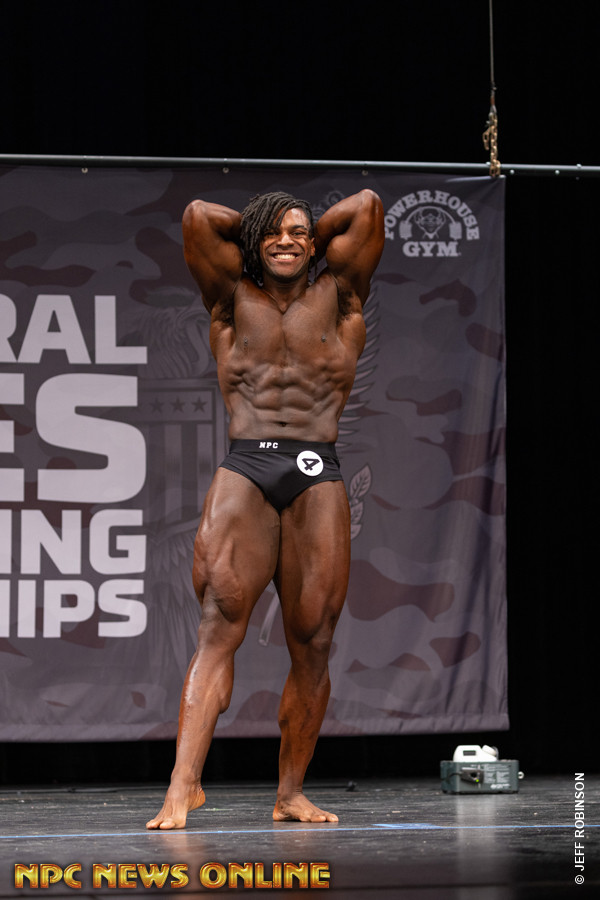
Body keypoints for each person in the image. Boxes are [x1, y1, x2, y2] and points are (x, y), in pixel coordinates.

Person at [146, 187, 384, 829]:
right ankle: (182, 787)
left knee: (315, 639)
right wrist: (265, 230)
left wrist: (304, 232)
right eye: (272, 233)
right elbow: (199, 216)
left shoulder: (343, 292)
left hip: (316, 469)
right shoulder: (230, 294)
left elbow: (366, 205)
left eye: (298, 233)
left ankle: (290, 794)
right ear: (254, 242)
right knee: (218, 625)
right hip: (247, 467)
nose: (286, 241)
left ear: (316, 243)